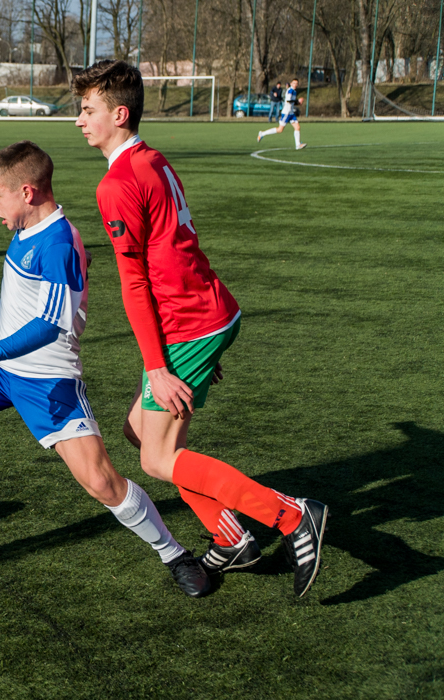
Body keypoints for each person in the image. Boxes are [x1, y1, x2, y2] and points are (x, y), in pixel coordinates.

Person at [0, 140, 212, 598]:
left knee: (102, 482)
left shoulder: (56, 242)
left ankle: (174, 554)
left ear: (27, 192)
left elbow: (50, 324)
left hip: (46, 380)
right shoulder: (34, 227)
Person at [73, 60, 327, 597]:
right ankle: (231, 539)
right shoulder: (151, 158)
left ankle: (291, 515)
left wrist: (157, 367)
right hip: (206, 311)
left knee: (156, 458)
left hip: (188, 322)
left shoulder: (116, 183)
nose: (79, 120)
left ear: (119, 115)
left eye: (88, 109)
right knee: (138, 430)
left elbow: (135, 283)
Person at [257, 78, 305, 149]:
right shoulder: (290, 90)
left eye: (296, 83)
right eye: (294, 83)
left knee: (297, 127)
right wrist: (297, 101)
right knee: (280, 130)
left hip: (291, 113)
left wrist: (298, 103)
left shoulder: (294, 91)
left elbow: (292, 102)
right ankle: (262, 133)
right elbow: (288, 100)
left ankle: (298, 145)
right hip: (286, 113)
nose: (295, 84)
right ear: (291, 84)